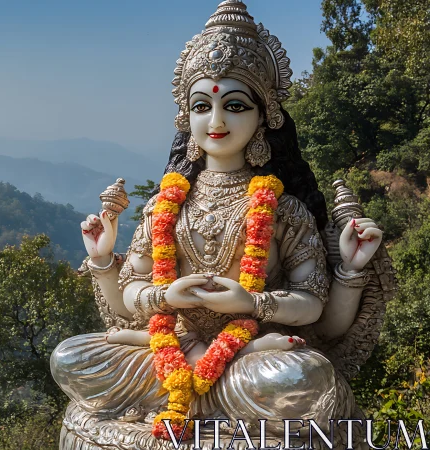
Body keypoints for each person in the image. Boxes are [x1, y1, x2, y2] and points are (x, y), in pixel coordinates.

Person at [50, 1, 389, 448]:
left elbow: (312, 305)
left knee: (303, 376)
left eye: (233, 104)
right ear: (184, 117)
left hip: (251, 358)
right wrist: (150, 287)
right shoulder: (163, 205)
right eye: (201, 106)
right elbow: (131, 292)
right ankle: (197, 384)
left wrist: (252, 303)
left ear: (264, 114)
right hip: (166, 351)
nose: (216, 121)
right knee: (70, 357)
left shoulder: (284, 209)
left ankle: (213, 380)